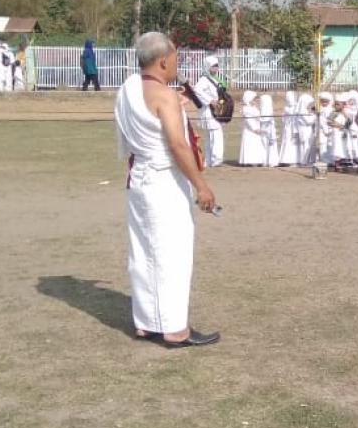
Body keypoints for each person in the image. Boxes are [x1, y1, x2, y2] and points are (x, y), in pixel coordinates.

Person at [113, 31, 218, 348]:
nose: (177, 64)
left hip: (140, 178)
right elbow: (177, 145)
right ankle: (174, 328)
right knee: (172, 253)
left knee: (144, 251)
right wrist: (201, 186)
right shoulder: (164, 96)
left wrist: (175, 105)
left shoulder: (129, 87)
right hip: (162, 182)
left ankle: (147, 322)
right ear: (162, 62)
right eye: (174, 59)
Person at [190, 56, 227, 167]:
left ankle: (209, 160)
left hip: (216, 110)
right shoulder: (204, 79)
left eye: (217, 66)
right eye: (213, 66)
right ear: (207, 67)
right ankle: (215, 160)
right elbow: (197, 90)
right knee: (215, 134)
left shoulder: (215, 79)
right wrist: (210, 100)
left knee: (211, 136)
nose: (216, 68)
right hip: (209, 111)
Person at [238, 91, 265, 166]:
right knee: (250, 145)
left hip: (256, 130)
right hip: (250, 131)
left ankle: (257, 160)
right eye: (254, 99)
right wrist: (255, 129)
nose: (256, 100)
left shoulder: (254, 108)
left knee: (255, 145)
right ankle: (249, 161)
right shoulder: (246, 109)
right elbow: (248, 120)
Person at [278, 90, 300, 165]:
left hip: (294, 127)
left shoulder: (297, 107)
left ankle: (295, 159)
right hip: (288, 127)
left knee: (294, 142)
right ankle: (285, 159)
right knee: (287, 140)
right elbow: (283, 119)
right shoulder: (286, 108)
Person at [259, 94, 279, 166]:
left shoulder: (264, 110)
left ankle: (267, 161)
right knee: (266, 143)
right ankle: (267, 161)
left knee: (266, 143)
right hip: (266, 129)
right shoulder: (265, 110)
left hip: (267, 129)